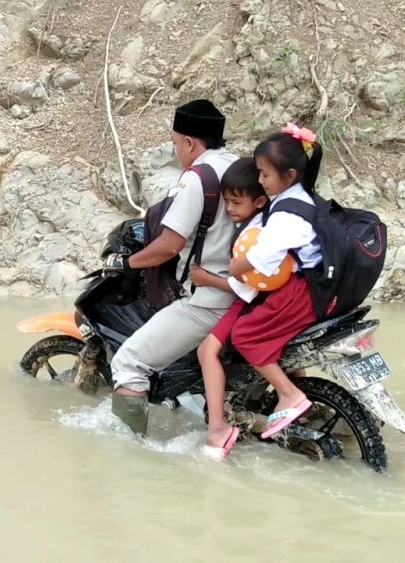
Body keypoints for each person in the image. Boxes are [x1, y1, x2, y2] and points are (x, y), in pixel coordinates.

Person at [101, 100, 238, 435]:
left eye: (177, 144)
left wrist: (126, 261)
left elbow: (168, 246)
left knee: (129, 362)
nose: (178, 152)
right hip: (244, 294)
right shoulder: (239, 165)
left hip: (208, 301)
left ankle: (130, 457)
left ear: (190, 142)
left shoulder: (198, 178)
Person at [225, 123, 324, 440]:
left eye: (265, 175)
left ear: (290, 176)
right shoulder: (304, 198)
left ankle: (288, 394)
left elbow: (260, 259)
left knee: (245, 335)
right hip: (315, 285)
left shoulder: (286, 215)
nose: (260, 181)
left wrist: (233, 266)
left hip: (301, 291)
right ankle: (302, 388)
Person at [187, 158, 269, 457]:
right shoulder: (268, 221)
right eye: (226, 201)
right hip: (276, 300)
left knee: (206, 351)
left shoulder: (252, 235)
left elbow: (246, 289)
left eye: (236, 201)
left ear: (259, 200)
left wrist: (206, 278)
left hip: (251, 303)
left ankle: (217, 428)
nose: (230, 208)